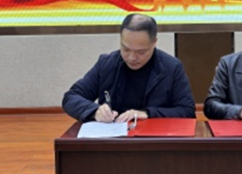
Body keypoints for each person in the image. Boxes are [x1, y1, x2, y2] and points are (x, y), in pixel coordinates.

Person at [63, 14, 196, 123]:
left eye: (141, 52)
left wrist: (147, 113)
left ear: (154, 42)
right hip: (114, 139)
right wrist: (94, 111)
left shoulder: (172, 67)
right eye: (126, 49)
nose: (132, 57)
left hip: (154, 140)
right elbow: (71, 97)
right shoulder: (107, 64)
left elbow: (187, 111)